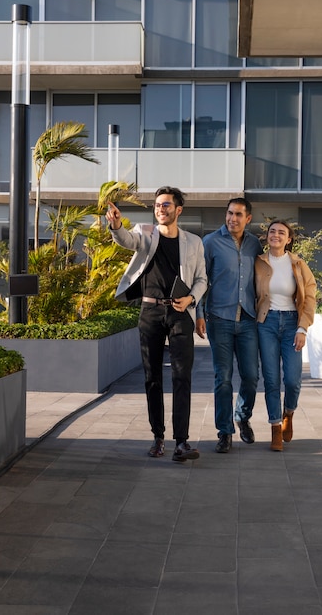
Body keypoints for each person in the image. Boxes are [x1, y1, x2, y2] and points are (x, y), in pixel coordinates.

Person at [106, 186, 207, 462]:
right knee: (152, 377)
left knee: (181, 376)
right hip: (150, 312)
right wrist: (116, 224)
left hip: (179, 313)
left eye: (166, 205)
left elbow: (201, 279)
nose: (161, 209)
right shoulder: (146, 233)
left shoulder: (194, 242)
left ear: (178, 210)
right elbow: (127, 240)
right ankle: (158, 436)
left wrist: (190, 300)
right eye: (157, 205)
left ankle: (182, 442)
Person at [196, 197, 262, 453]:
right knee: (222, 378)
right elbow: (201, 279)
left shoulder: (255, 244)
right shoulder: (210, 242)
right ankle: (224, 432)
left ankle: (242, 416)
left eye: (238, 215)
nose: (233, 219)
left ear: (248, 219)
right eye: (230, 214)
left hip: (248, 319)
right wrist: (199, 313)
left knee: (251, 377)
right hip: (219, 319)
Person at [255, 219, 316, 451]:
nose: (276, 235)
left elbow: (309, 296)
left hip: (292, 323)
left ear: (288, 239)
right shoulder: (258, 263)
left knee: (292, 380)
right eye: (272, 231)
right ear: (267, 237)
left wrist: (302, 328)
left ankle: (289, 412)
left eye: (282, 232)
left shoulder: (299, 264)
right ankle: (275, 429)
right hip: (266, 323)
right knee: (271, 380)